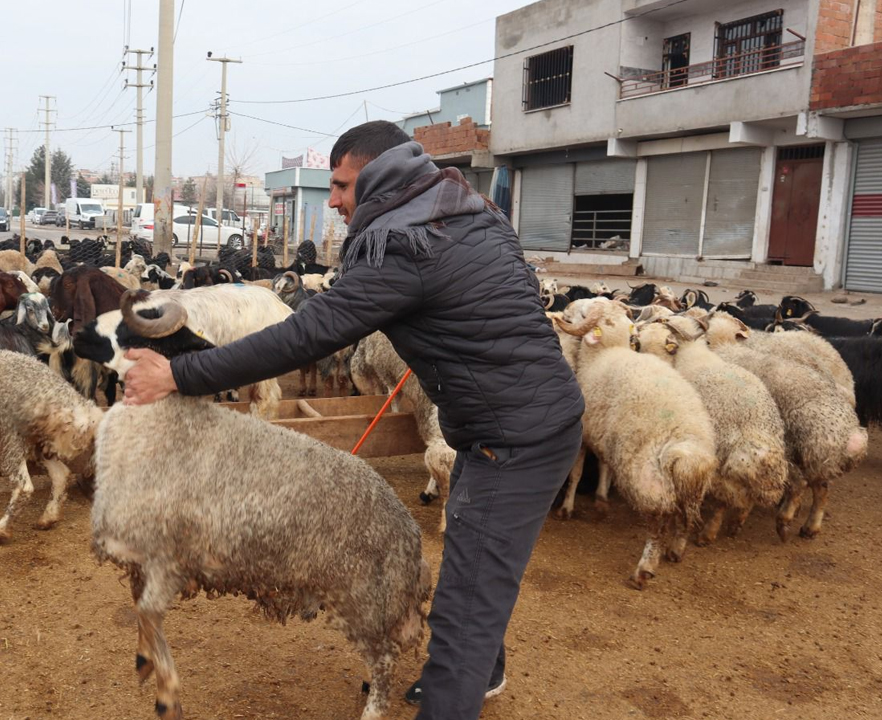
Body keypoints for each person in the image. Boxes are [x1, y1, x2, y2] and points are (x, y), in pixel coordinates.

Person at [122, 120, 584, 720]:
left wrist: (180, 375)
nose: (334, 200)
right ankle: (487, 667)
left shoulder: (405, 243)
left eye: (341, 185)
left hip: (513, 439)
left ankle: (466, 680)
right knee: (477, 561)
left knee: (466, 610)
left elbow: (307, 334)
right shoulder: (460, 206)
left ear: (376, 174)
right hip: (518, 422)